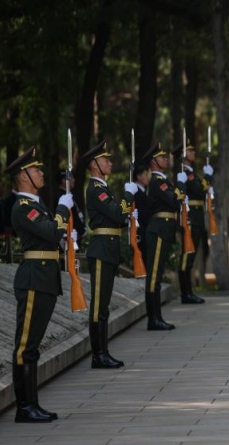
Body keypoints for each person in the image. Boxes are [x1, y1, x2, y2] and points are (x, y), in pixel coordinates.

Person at [5, 147, 72, 423]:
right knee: (26, 345)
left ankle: (32, 404)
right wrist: (62, 208)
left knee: (33, 345)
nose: (41, 173)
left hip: (44, 278)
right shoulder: (23, 208)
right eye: (36, 170)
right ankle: (24, 407)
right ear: (23, 176)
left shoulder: (36, 204)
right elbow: (51, 232)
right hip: (34, 279)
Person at [79, 141, 138, 368]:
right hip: (101, 250)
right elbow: (117, 215)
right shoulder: (96, 189)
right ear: (94, 164)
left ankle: (103, 352)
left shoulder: (103, 188)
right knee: (99, 306)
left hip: (108, 248)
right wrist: (128, 196)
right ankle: (98, 354)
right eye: (105, 159)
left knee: (103, 306)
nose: (109, 163)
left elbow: (119, 219)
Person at [144, 143, 184, 331]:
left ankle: (157, 317)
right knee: (154, 277)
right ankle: (153, 318)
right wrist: (181, 184)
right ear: (154, 162)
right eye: (162, 157)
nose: (166, 159)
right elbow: (175, 201)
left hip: (163, 230)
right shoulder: (157, 182)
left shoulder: (162, 181)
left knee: (157, 275)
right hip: (158, 231)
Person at [172, 141, 212, 304]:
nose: (193, 153)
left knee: (191, 257)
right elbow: (199, 191)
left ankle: (188, 292)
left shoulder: (191, 173)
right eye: (189, 151)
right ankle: (185, 293)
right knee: (187, 258)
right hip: (190, 219)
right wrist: (207, 177)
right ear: (183, 155)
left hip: (196, 218)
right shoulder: (185, 174)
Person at [56, 169, 86, 247]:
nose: (74, 180)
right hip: (68, 238)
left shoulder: (69, 195)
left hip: (75, 236)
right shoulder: (61, 197)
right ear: (64, 181)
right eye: (71, 178)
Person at [133, 163, 152, 257]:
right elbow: (143, 213)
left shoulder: (142, 192)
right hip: (140, 231)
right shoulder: (136, 192)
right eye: (145, 174)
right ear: (138, 176)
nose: (148, 177)